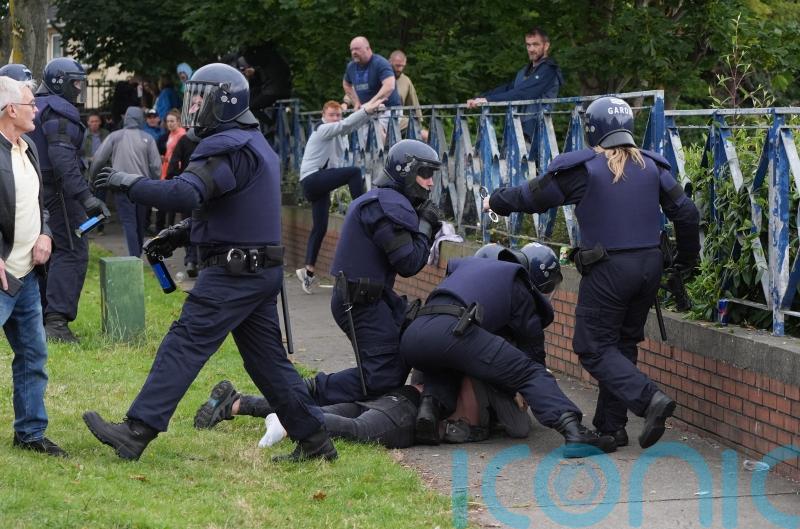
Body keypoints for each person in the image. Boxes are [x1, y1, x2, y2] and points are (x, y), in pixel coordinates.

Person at [82, 63, 336, 463]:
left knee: (184, 343)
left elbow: (186, 193)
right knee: (268, 364)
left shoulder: (228, 146)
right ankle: (317, 442)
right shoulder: (252, 142)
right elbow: (228, 206)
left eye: (201, 98)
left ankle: (136, 431)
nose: (194, 105)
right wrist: (181, 234)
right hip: (257, 270)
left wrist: (127, 183)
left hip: (236, 273)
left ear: (225, 102)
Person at [485, 96, 701, 449]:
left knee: (591, 347)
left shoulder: (585, 169)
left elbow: (534, 195)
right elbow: (687, 214)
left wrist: (496, 201)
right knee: (622, 345)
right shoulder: (654, 167)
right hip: (649, 267)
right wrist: (683, 262)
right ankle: (612, 427)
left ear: (592, 130)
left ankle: (649, 400)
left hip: (608, 270)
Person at [400, 243, 616, 458]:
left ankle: (430, 410)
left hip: (414, 335)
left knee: (446, 366)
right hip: (454, 330)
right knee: (530, 372)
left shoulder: (466, 269)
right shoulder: (516, 282)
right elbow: (532, 349)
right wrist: (532, 386)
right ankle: (575, 432)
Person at [0, 75, 66, 457]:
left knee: (33, 357)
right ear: (11, 110)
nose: (36, 109)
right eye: (30, 104)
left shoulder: (28, 149)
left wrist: (46, 234)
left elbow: (39, 201)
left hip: (25, 277)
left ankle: (30, 434)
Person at [29, 58, 110, 343]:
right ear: (61, 81)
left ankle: (39, 317)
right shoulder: (58, 111)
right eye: (76, 83)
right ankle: (56, 323)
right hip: (58, 190)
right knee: (73, 250)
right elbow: (62, 158)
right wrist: (86, 197)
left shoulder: (34, 105)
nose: (79, 88)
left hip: (34, 187)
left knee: (43, 251)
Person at [295, 99, 383, 294]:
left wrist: (369, 113)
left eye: (337, 115)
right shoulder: (322, 129)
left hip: (319, 182)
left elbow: (349, 126)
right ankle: (363, 210)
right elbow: (345, 125)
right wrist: (365, 110)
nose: (335, 119)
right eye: (331, 115)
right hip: (312, 179)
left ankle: (308, 273)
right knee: (353, 172)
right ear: (323, 116)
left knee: (320, 227)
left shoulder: (335, 130)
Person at [466, 28, 563, 139]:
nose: (531, 49)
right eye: (528, 45)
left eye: (535, 44)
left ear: (546, 46)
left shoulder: (548, 70)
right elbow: (508, 88)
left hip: (537, 130)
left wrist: (488, 100)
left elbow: (523, 93)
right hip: (518, 128)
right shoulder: (525, 71)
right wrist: (479, 98)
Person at [89, 106, 161, 256]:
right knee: (140, 222)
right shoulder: (147, 138)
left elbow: (98, 159)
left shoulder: (115, 136)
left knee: (129, 222)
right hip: (143, 186)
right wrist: (155, 185)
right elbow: (156, 166)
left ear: (126, 118)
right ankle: (138, 255)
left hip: (120, 186)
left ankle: (134, 257)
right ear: (140, 118)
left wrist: (92, 178)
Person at [342, 36, 401, 111]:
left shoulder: (380, 63)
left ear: (367, 48)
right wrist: (356, 102)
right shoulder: (351, 66)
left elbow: (389, 86)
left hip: (388, 112)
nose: (354, 52)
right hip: (365, 111)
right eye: (352, 50)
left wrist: (371, 103)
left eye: (357, 49)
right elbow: (346, 84)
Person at [388, 50, 425, 138]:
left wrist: (418, 123)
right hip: (379, 117)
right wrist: (347, 101)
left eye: (402, 66)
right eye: (397, 65)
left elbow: (413, 103)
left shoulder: (406, 81)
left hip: (399, 119)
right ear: (390, 62)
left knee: (424, 135)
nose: (399, 69)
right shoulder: (380, 76)